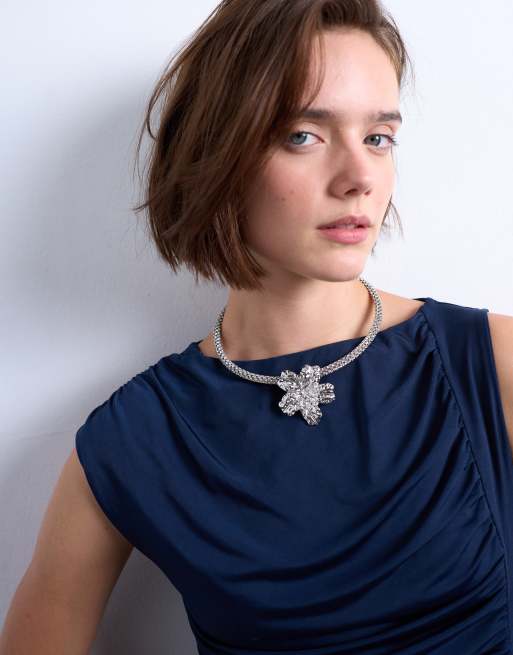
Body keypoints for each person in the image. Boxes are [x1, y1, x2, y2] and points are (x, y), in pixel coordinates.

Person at [2, 0, 513, 653]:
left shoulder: (490, 361)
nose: (359, 177)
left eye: (377, 137)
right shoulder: (136, 440)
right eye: (303, 135)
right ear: (218, 153)